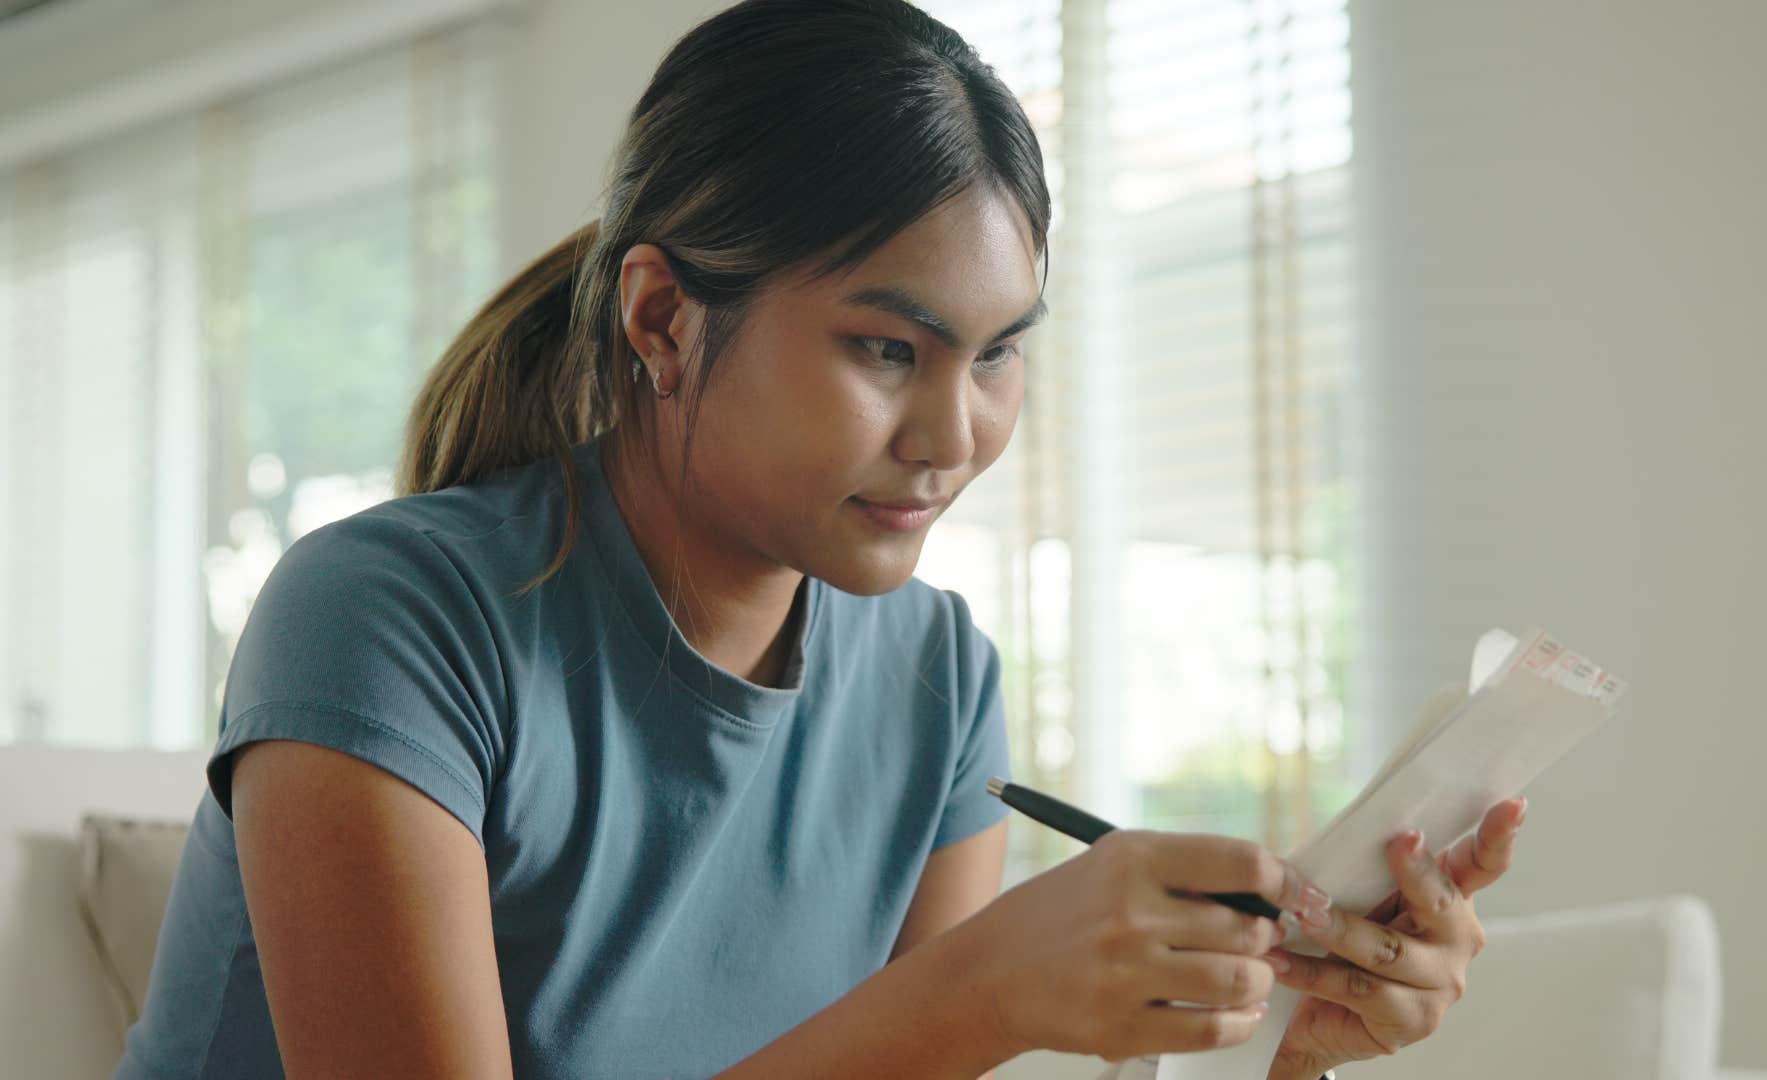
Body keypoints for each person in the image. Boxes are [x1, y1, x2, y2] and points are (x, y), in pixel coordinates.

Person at [116, 1, 1526, 1077]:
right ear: (665, 320)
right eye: (886, 348)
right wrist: (980, 993)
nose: (953, 434)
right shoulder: (388, 617)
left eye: (995, 355)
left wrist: (1285, 1047)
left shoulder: (937, 676)